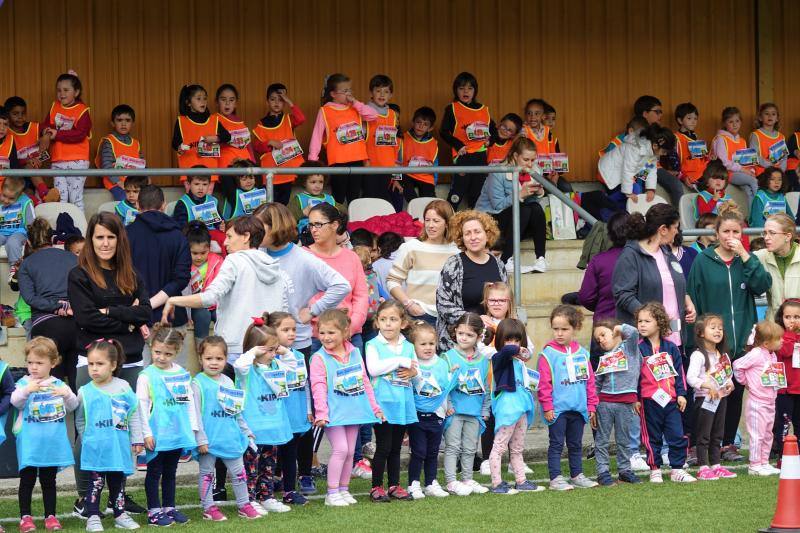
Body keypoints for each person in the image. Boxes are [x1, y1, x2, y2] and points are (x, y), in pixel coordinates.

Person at [67, 212, 152, 518]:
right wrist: (125, 316)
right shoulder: (79, 275)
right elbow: (86, 318)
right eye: (99, 237)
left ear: (119, 240)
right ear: (91, 240)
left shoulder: (132, 273)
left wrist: (110, 311)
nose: (105, 243)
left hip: (129, 359)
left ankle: (119, 496)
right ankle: (83, 498)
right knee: (89, 430)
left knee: (123, 428)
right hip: (89, 360)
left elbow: (145, 313)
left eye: (111, 237)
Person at [687, 202, 771, 462]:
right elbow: (692, 295)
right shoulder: (703, 260)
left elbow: (762, 286)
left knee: (733, 392)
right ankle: (698, 445)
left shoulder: (747, 261)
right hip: (712, 343)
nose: (731, 237)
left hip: (740, 342)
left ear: (743, 234)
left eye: (736, 232)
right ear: (717, 232)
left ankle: (727, 445)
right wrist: (699, 338)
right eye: (726, 232)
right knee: (705, 393)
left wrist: (746, 256)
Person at [162, 215, 289, 363]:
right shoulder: (275, 266)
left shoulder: (234, 260)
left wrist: (173, 300)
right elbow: (284, 310)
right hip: (269, 349)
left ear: (246, 236)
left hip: (236, 348)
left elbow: (210, 297)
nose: (225, 242)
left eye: (229, 236)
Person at [253, 202, 349, 356]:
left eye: (259, 226)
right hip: (262, 340)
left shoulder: (304, 259)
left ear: (276, 226)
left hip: (295, 344)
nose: (254, 231)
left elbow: (341, 286)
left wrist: (313, 311)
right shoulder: (255, 254)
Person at [309, 309, 383, 507]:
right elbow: (318, 387)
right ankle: (331, 493)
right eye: (322, 333)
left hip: (354, 411)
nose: (325, 337)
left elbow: (365, 381)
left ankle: (343, 489)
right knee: (340, 449)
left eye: (331, 333)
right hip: (332, 414)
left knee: (351, 451)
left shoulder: (355, 352)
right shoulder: (318, 358)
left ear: (344, 331)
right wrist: (322, 413)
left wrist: (374, 407)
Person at [13, 337, 79, 533]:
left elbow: (73, 405)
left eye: (39, 363)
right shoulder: (23, 382)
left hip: (52, 444)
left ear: (53, 362)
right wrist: (27, 390)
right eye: (30, 362)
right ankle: (25, 517)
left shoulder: (59, 385)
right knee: (27, 481)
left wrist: (65, 394)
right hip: (30, 444)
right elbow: (15, 402)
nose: (34, 367)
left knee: (49, 482)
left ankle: (50, 516)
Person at [191, 336, 260, 521]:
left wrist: (246, 431)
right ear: (200, 359)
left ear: (225, 359)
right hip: (209, 440)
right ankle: (208, 508)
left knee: (239, 473)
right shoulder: (197, 384)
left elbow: (236, 412)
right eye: (209, 358)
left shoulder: (229, 382)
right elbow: (194, 414)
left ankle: (244, 504)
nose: (214, 363)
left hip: (230, 437)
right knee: (207, 474)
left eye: (219, 359)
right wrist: (200, 439)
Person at [77, 339, 144, 531]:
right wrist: (87, 439)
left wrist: (137, 438)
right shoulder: (84, 392)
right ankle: (92, 517)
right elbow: (80, 420)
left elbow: (133, 415)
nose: (94, 369)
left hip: (118, 447)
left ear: (113, 365)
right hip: (96, 449)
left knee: (117, 483)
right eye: (91, 364)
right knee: (96, 483)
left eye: (100, 364)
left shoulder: (124, 388)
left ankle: (120, 514)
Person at [613, 204, 696, 345]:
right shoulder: (631, 255)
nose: (677, 232)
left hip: (674, 337)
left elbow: (675, 284)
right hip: (645, 341)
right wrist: (650, 318)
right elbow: (623, 295)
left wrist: (687, 300)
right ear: (663, 229)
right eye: (675, 227)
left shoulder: (667, 252)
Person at [126, 185, 192, 366]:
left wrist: (144, 305)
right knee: (175, 380)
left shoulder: (126, 235)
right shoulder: (178, 236)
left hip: (136, 317)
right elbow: (181, 278)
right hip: (171, 316)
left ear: (138, 206)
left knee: (142, 383)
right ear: (163, 205)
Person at [137, 326, 195, 527]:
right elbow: (141, 406)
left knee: (171, 471)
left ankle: (169, 507)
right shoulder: (146, 376)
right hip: (157, 433)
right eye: (157, 352)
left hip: (177, 432)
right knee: (154, 472)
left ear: (177, 352)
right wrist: (146, 433)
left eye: (168, 353)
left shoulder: (181, 373)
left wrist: (192, 428)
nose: (161, 357)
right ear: (151, 347)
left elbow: (189, 403)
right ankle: (154, 510)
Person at [233, 318, 293, 515]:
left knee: (269, 467)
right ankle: (249, 499)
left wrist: (285, 352)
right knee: (251, 468)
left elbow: (295, 369)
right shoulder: (247, 370)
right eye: (268, 350)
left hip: (274, 427)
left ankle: (266, 496)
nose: (273, 354)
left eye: (275, 349)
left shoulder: (276, 365)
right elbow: (239, 365)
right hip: (253, 430)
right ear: (256, 349)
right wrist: (252, 353)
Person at [537, 305, 599, 490]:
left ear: (575, 328)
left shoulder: (582, 353)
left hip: (578, 408)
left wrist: (591, 405)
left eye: (564, 329)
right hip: (557, 409)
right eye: (556, 329)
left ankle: (577, 475)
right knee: (556, 444)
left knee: (576, 444)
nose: (559, 333)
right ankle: (555, 478)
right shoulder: (547, 354)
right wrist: (547, 406)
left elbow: (590, 381)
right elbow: (544, 383)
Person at [365, 301, 418, 502]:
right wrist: (398, 362)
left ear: (402, 323)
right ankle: (376, 487)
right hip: (383, 405)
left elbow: (416, 370)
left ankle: (394, 485)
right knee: (384, 447)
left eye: (393, 319)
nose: (388, 324)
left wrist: (413, 372)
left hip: (402, 404)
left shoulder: (409, 346)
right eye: (383, 319)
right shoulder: (373, 345)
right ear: (377, 322)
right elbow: (374, 369)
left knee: (396, 448)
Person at [636, 302, 695, 483]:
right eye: (639, 321)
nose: (642, 325)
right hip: (648, 401)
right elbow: (634, 377)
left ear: (660, 323)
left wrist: (681, 394)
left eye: (647, 321)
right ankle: (655, 469)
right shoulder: (638, 348)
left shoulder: (671, 348)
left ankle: (677, 469)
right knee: (652, 437)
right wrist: (636, 398)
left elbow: (680, 373)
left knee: (677, 434)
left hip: (670, 401)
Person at [18, 217, 79, 388]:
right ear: (52, 238)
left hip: (46, 327)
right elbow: (85, 290)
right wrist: (68, 306)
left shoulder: (27, 264)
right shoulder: (72, 258)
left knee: (52, 386)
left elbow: (30, 299)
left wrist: (57, 306)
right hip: (76, 325)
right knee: (77, 384)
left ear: (29, 242)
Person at [436, 210, 506, 351]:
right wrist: (475, 319)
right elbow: (442, 304)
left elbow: (506, 300)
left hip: (491, 342)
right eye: (467, 233)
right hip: (459, 342)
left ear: (487, 234)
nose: (473, 237)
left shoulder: (498, 264)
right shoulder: (454, 264)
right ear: (462, 238)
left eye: (477, 232)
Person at [475, 137, 548, 273]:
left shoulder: (535, 171)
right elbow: (497, 205)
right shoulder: (499, 172)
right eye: (526, 160)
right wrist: (519, 195)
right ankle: (506, 259)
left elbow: (531, 205)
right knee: (524, 209)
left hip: (517, 218)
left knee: (535, 208)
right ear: (515, 156)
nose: (530, 164)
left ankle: (541, 258)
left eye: (533, 160)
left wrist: (538, 192)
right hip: (490, 219)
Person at [305, 203, 369, 354]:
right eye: (311, 225)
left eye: (319, 224)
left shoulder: (351, 257)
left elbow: (361, 296)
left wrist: (349, 328)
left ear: (335, 225)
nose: (313, 229)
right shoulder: (303, 256)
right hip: (315, 336)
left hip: (350, 335)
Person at [488, 319, 543, 494]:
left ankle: (521, 481)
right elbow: (506, 351)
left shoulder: (520, 362)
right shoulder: (499, 358)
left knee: (517, 449)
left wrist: (522, 353)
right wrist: (519, 349)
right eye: (508, 339)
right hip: (508, 410)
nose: (513, 344)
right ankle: (497, 484)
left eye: (517, 340)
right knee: (499, 447)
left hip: (522, 410)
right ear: (500, 341)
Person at [308, 73, 378, 204]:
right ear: (333, 94)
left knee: (354, 197)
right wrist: (313, 163)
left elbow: (373, 115)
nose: (349, 94)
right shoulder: (325, 111)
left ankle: (354, 224)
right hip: (338, 161)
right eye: (345, 91)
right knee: (338, 197)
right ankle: (338, 223)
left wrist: (356, 102)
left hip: (357, 160)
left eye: (350, 90)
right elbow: (316, 137)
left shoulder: (355, 108)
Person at [387, 199, 458, 327]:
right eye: (427, 220)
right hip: (418, 315)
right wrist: (409, 304)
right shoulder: (411, 247)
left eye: (436, 221)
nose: (430, 225)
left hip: (448, 317)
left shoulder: (456, 250)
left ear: (447, 224)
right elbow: (392, 281)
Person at [441, 313, 490, 496]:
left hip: (475, 411)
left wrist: (484, 409)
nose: (464, 338)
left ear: (478, 337)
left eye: (469, 335)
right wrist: (448, 405)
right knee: (453, 446)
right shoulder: (448, 357)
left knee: (470, 447)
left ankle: (467, 478)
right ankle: (451, 481)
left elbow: (485, 386)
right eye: (461, 333)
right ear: (455, 332)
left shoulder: (484, 360)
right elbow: (443, 386)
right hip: (454, 411)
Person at [267, 312, 313, 504]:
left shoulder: (299, 355)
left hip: (297, 412)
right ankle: (267, 487)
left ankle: (289, 490)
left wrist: (309, 409)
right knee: (273, 453)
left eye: (293, 329)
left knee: (291, 451)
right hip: (278, 413)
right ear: (272, 332)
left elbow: (306, 384)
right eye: (285, 330)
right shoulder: (269, 359)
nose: (291, 333)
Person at [592, 319, 645, 485]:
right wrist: (593, 407)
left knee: (624, 440)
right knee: (602, 440)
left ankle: (624, 471)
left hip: (626, 404)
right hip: (605, 404)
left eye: (603, 334)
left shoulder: (630, 348)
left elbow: (634, 333)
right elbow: (597, 384)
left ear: (615, 333)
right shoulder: (605, 358)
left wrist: (619, 328)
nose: (600, 339)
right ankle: (602, 472)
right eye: (597, 339)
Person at [686, 314, 737, 481]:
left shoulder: (722, 355)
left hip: (720, 399)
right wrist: (707, 386)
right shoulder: (698, 355)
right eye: (713, 327)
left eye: (720, 328)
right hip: (704, 400)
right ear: (701, 333)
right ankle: (703, 466)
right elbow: (691, 378)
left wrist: (729, 383)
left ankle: (716, 465)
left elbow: (727, 375)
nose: (718, 331)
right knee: (704, 434)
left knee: (717, 433)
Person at [407, 321, 454, 499]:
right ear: (414, 346)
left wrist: (448, 407)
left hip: (437, 415)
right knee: (418, 451)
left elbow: (446, 387)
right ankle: (414, 483)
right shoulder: (412, 365)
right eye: (423, 344)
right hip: (417, 416)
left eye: (431, 344)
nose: (428, 348)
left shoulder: (441, 364)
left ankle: (431, 482)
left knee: (433, 451)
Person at [733, 320, 784, 476]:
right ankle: (754, 465)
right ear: (767, 343)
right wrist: (745, 382)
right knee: (758, 434)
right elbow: (737, 365)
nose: (782, 341)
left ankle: (764, 462)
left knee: (768, 433)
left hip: (770, 400)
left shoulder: (772, 355)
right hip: (757, 402)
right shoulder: (756, 354)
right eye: (779, 339)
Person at [440, 72, 494, 209]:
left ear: (475, 91)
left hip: (481, 156)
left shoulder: (484, 110)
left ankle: (473, 227)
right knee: (457, 193)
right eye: (462, 88)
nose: (466, 91)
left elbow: (494, 132)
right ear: (456, 90)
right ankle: (447, 223)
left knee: (477, 193)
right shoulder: (452, 108)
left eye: (470, 88)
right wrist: (458, 145)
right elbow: (443, 132)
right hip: (463, 155)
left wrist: (490, 141)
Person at [38, 71, 92, 209]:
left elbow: (80, 134)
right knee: (60, 199)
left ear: (76, 92)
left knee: (75, 199)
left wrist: (57, 134)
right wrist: (46, 132)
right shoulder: (54, 106)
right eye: (59, 90)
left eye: (66, 90)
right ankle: (63, 229)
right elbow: (46, 124)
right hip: (57, 161)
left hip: (77, 161)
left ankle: (80, 229)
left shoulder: (82, 110)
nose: (62, 93)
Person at [251, 83, 306, 205]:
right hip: (271, 174)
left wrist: (289, 101)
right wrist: (269, 142)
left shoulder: (288, 119)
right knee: (271, 206)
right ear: (267, 102)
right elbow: (256, 146)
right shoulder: (261, 123)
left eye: (281, 100)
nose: (276, 102)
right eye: (273, 99)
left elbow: (301, 118)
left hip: (287, 172)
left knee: (283, 205)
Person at [172, 84, 231, 184]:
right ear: (188, 103)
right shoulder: (181, 121)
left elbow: (227, 137)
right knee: (192, 198)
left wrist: (215, 139)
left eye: (205, 98)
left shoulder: (213, 120)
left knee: (207, 199)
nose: (203, 101)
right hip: (189, 171)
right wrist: (180, 147)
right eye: (198, 99)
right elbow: (175, 143)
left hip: (210, 171)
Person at [4, 96, 53, 202]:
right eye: (15, 114)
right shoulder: (5, 133)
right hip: (17, 174)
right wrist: (27, 161)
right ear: (7, 115)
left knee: (31, 169)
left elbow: (47, 128)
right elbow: (12, 162)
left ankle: (45, 195)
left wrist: (47, 135)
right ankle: (40, 198)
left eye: (23, 113)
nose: (20, 117)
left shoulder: (33, 127)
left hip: (34, 175)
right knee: (28, 194)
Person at [94, 104, 146, 202]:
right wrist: (118, 182)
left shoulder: (136, 143)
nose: (123, 124)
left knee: (149, 197)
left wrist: (146, 179)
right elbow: (106, 165)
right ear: (113, 123)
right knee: (125, 199)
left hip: (134, 184)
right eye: (119, 120)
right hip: (115, 183)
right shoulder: (109, 141)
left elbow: (142, 165)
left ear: (132, 123)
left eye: (127, 120)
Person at [754, 213, 800, 321]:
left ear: (788, 236)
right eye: (764, 233)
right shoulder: (760, 256)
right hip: (774, 329)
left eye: (772, 233)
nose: (766, 238)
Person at [182, 222, 222, 343]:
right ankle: (202, 348)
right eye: (194, 253)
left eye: (203, 253)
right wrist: (187, 316)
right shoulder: (183, 264)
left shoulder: (217, 261)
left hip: (215, 303)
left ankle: (225, 347)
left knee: (222, 315)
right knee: (203, 315)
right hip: (195, 304)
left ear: (209, 249)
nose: (198, 257)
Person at [364, 74, 400, 202]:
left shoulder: (392, 115)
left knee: (383, 199)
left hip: (388, 166)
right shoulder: (366, 112)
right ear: (371, 92)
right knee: (370, 199)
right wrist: (365, 160)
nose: (382, 95)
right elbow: (361, 139)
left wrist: (395, 162)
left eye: (386, 92)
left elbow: (394, 142)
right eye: (378, 91)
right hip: (371, 165)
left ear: (391, 95)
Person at [522, 98, 570, 193]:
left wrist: (555, 173)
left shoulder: (548, 133)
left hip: (549, 173)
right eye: (529, 113)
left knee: (566, 188)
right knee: (549, 188)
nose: (532, 117)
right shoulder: (524, 132)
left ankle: (573, 206)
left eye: (537, 114)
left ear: (543, 116)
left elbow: (555, 156)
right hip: (532, 174)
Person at [711, 106, 758, 200]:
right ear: (724, 123)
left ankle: (752, 214)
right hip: (726, 173)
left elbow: (748, 163)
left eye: (737, 121)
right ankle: (762, 208)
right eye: (730, 122)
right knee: (753, 181)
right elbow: (723, 162)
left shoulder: (742, 141)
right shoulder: (721, 138)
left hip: (740, 173)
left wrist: (751, 171)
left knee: (748, 189)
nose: (734, 124)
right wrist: (744, 170)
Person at [172, 172, 225, 253]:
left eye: (204, 184)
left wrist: (221, 225)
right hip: (194, 234)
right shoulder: (183, 203)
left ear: (209, 185)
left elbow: (218, 220)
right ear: (189, 184)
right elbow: (181, 227)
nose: (201, 188)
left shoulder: (213, 200)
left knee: (225, 238)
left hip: (212, 233)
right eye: (196, 184)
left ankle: (225, 263)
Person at [287, 162, 343, 237]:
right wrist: (302, 213)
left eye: (321, 182)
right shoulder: (299, 199)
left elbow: (344, 212)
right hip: (307, 235)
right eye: (313, 182)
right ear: (304, 182)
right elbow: (287, 218)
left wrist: (337, 211)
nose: (317, 186)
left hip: (328, 234)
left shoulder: (329, 198)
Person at [774, 300, 800, 459]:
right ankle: (782, 455)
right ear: (781, 318)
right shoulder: (780, 336)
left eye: (797, 316)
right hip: (785, 390)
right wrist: (791, 334)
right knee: (783, 424)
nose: (792, 320)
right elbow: (785, 351)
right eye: (788, 317)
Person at [399, 106, 439, 201]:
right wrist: (396, 178)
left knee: (429, 199)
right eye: (418, 122)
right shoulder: (403, 138)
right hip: (407, 175)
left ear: (430, 128)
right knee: (411, 196)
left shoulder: (434, 143)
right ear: (413, 122)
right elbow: (397, 159)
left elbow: (436, 164)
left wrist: (435, 181)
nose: (421, 126)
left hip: (425, 177)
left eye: (425, 124)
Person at [214, 84, 254, 169]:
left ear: (236, 103)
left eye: (231, 100)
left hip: (245, 170)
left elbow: (249, 147)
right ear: (217, 102)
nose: (227, 103)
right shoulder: (213, 121)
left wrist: (253, 165)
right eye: (223, 99)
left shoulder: (241, 123)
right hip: (225, 169)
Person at [673, 102, 709, 187]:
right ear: (680, 120)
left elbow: (702, 159)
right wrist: (683, 176)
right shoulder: (676, 138)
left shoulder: (695, 136)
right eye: (689, 118)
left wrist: (708, 157)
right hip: (689, 175)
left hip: (702, 172)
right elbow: (674, 164)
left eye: (695, 118)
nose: (693, 121)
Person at [0, 177, 34, 266]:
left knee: (12, 243)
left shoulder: (25, 202)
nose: (6, 200)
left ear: (20, 195)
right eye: (4, 195)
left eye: (11, 198)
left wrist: (32, 238)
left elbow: (31, 223)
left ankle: (15, 269)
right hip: (1, 233)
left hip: (19, 232)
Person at [750, 102, 788, 177]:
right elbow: (754, 156)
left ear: (777, 118)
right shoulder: (755, 135)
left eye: (773, 114)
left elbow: (784, 157)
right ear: (760, 118)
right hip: (762, 172)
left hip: (778, 173)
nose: (770, 116)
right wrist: (770, 165)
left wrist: (780, 170)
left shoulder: (781, 136)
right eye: (767, 114)